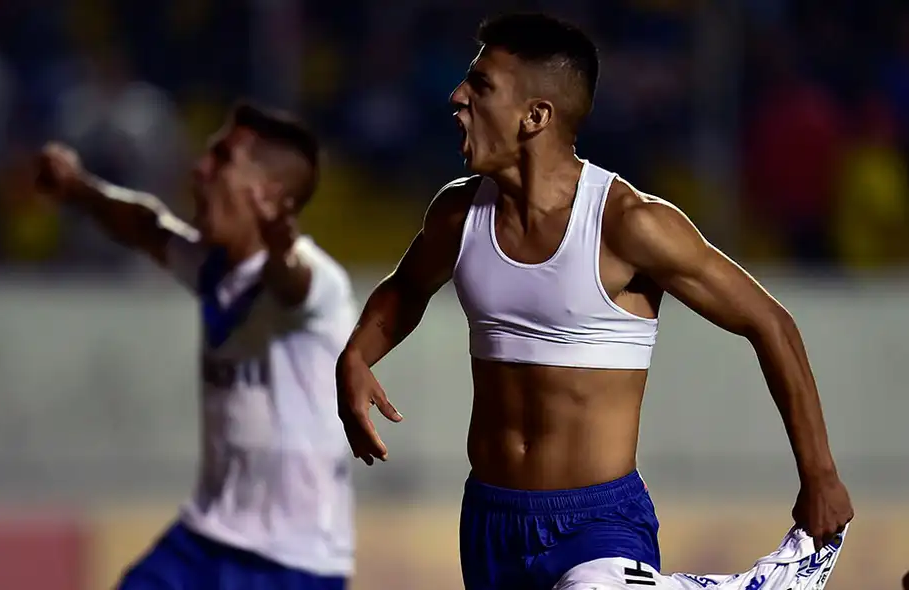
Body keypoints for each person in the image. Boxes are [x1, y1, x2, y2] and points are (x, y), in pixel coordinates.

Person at [335, 12, 853, 590]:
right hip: (490, 523)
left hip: (600, 524)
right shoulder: (457, 215)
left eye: (480, 86)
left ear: (535, 116)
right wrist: (356, 355)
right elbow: (405, 290)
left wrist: (820, 475)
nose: (457, 97)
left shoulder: (628, 223)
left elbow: (771, 323)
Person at [37, 102, 355, 590]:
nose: (199, 169)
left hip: (291, 562)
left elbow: (291, 282)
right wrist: (78, 188)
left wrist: (280, 246)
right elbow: (147, 227)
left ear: (267, 193)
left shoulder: (319, 282)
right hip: (204, 540)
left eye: (221, 158)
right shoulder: (212, 267)